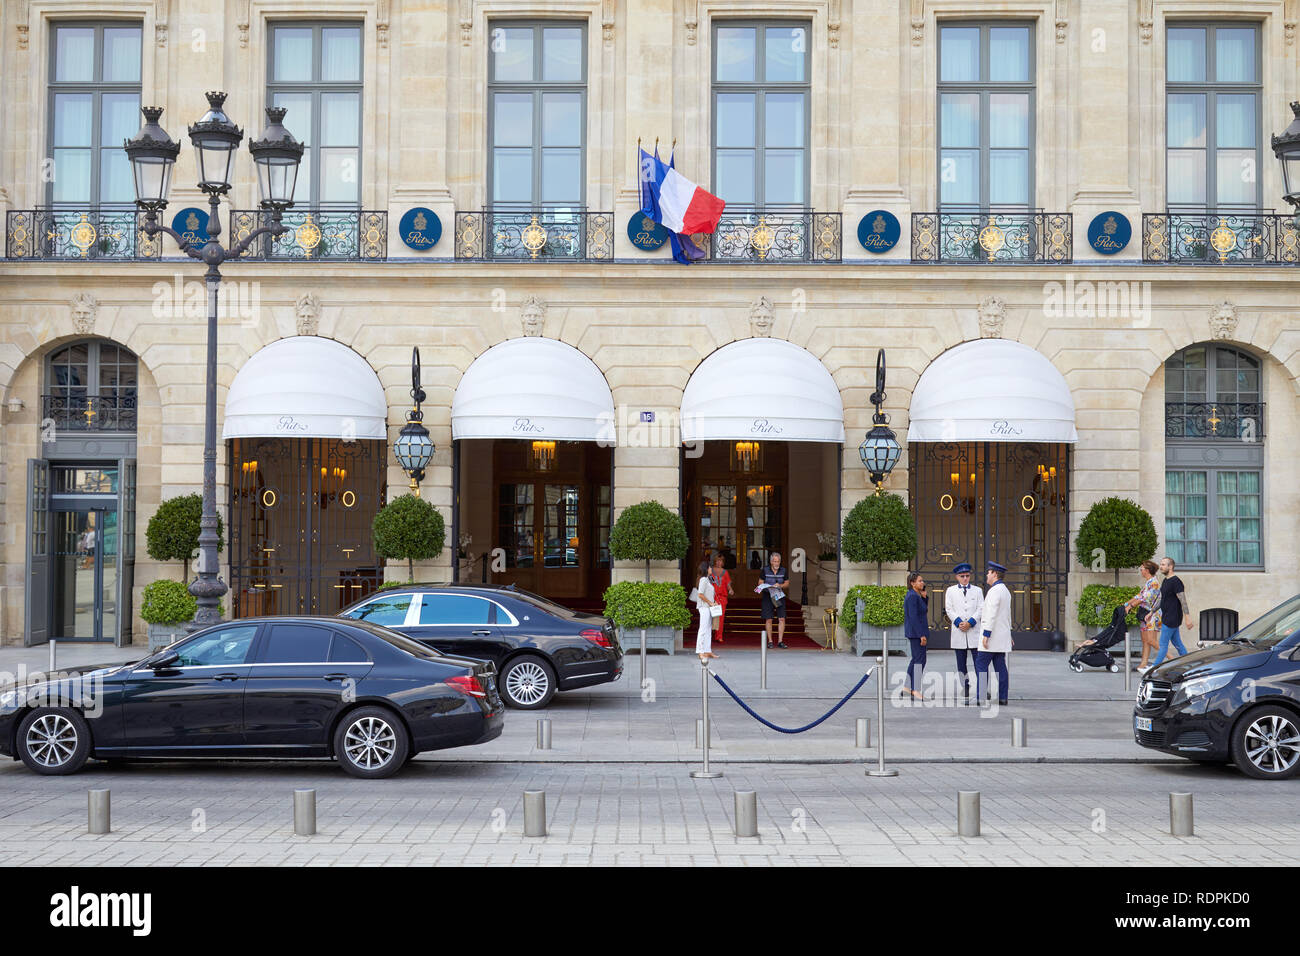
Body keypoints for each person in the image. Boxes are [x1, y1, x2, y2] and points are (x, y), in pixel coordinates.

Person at [975, 561, 1012, 706]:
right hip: (1001, 637)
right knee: (1000, 667)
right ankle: (1003, 697)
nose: (987, 575)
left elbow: (991, 614)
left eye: (988, 573)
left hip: (991, 637)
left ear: (995, 574)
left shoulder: (994, 591)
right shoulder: (1005, 590)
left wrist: (986, 634)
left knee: (981, 665)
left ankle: (981, 696)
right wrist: (1009, 635)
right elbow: (1006, 616)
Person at [944, 562, 982, 704]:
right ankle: (965, 686)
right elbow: (949, 609)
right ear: (957, 577)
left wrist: (970, 622)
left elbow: (981, 608)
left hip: (973, 631)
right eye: (962, 576)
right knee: (961, 663)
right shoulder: (950, 590)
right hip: (959, 630)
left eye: (967, 575)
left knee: (979, 662)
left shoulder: (978, 591)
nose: (965, 578)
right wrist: (959, 622)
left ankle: (981, 688)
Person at [1150, 555, 1194, 668]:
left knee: (1163, 645)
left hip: (1172, 618)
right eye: (1161, 564)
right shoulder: (1165, 581)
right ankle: (1189, 665)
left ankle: (1154, 668)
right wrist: (1151, 612)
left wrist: (1187, 618)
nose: (1160, 567)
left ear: (1171, 567)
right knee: (1177, 643)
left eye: (1163, 565)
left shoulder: (1176, 582)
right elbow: (1162, 599)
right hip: (1167, 616)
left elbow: (1182, 600)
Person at [1123, 559, 1163, 672]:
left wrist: (1130, 607)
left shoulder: (1154, 583)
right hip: (1144, 613)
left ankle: (1172, 658)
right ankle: (1143, 664)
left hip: (1152, 615)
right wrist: (1126, 604)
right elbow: (1139, 595)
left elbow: (1144, 598)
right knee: (1145, 640)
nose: (1140, 570)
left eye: (1142, 568)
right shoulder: (1148, 582)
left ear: (1147, 570)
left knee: (1151, 640)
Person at [903, 571, 929, 701]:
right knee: (920, 661)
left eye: (922, 580)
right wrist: (921, 635)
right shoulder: (912, 596)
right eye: (919, 581)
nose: (922, 582)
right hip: (916, 633)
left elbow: (922, 611)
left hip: (916, 632)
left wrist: (924, 597)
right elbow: (913, 617)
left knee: (915, 660)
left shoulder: (915, 595)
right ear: (912, 583)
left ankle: (907, 688)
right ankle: (915, 689)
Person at [757, 551, 791, 648]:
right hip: (768, 596)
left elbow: (787, 583)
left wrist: (780, 585)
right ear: (771, 561)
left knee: (781, 618)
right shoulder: (765, 570)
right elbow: (760, 582)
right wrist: (767, 586)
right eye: (775, 561)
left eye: (778, 561)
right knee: (769, 619)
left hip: (779, 595)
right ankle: (770, 641)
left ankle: (780, 641)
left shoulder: (783, 570)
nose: (776, 564)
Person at [692, 560, 718, 661]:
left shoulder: (707, 579)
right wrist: (710, 602)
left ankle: (707, 650)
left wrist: (712, 602)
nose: (711, 569)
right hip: (704, 607)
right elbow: (700, 594)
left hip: (708, 607)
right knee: (703, 629)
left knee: (708, 629)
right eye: (710, 567)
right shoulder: (703, 580)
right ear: (706, 569)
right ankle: (700, 650)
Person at [709, 553, 734, 644]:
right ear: (715, 561)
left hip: (722, 598)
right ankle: (709, 635)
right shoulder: (710, 571)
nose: (719, 562)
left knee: (720, 618)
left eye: (721, 561)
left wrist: (730, 590)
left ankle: (719, 636)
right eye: (718, 561)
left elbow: (728, 583)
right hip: (711, 597)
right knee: (710, 617)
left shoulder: (725, 572)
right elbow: (709, 582)